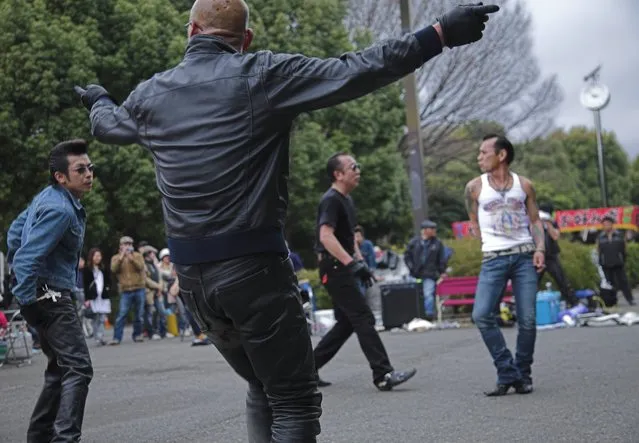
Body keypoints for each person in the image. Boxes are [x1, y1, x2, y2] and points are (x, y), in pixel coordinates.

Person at [74, 0, 499, 440]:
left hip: (194, 282)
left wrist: (99, 99)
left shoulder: (150, 94)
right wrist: (439, 34)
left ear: (190, 32)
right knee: (293, 400)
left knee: (262, 383)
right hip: (254, 272)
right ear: (247, 40)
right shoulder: (263, 74)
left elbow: (110, 126)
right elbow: (357, 70)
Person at [6, 139, 94, 442]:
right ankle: (64, 439)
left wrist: (29, 292)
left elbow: (15, 233)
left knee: (59, 369)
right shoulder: (61, 210)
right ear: (61, 176)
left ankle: (39, 436)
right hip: (52, 297)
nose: (88, 174)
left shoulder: (48, 198)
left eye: (89, 167)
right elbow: (27, 255)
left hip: (44, 294)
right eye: (80, 169)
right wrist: (28, 298)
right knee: (79, 369)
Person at [313, 153, 416, 390]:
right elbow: (325, 236)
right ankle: (383, 374)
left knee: (348, 322)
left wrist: (361, 264)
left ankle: (305, 371)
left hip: (343, 266)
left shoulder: (346, 200)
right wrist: (351, 263)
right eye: (353, 167)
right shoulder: (331, 200)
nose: (358, 170)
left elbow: (349, 239)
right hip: (334, 267)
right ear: (338, 174)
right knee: (363, 317)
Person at [464, 134, 545, 396]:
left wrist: (540, 248)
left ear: (501, 155)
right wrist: (481, 235)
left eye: (483, 152)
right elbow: (472, 220)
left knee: (528, 319)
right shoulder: (474, 188)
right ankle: (507, 370)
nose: (479, 157)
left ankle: (523, 373)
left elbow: (535, 221)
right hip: (493, 259)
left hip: (524, 256)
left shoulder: (525, 185)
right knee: (481, 314)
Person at [404, 220, 448, 320]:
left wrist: (442, 271)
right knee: (412, 294)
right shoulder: (414, 242)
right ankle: (412, 315)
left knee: (428, 294)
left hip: (430, 274)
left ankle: (428, 315)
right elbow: (407, 256)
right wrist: (411, 268)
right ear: (424, 230)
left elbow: (442, 259)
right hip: (415, 273)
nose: (434, 230)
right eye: (431, 228)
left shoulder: (437, 243)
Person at [537, 207, 578, 306]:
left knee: (562, 281)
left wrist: (548, 223)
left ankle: (573, 302)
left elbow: (555, 236)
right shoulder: (533, 223)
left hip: (551, 256)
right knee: (532, 282)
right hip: (538, 257)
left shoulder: (552, 223)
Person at [597, 215, 635, 306]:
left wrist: (622, 260)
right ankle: (612, 301)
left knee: (623, 282)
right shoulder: (601, 237)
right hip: (606, 263)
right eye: (604, 224)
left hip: (618, 263)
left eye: (608, 224)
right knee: (610, 283)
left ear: (612, 224)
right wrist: (601, 262)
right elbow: (598, 251)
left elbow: (624, 250)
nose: (606, 226)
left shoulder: (619, 235)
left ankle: (630, 299)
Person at [83, 247, 113, 346]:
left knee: (102, 317)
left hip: (103, 296)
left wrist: (108, 289)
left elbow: (109, 281)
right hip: (93, 297)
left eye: (99, 256)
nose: (98, 258)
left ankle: (100, 337)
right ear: (91, 257)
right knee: (96, 317)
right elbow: (86, 285)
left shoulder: (104, 268)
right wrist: (87, 298)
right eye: (96, 256)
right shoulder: (87, 270)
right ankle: (98, 337)